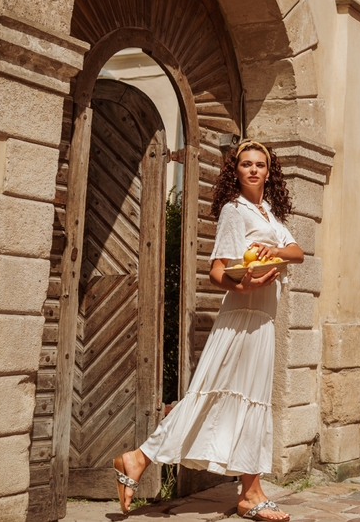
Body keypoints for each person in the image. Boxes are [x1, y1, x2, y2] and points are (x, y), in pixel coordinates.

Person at [113, 140, 303, 521]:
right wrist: (244, 285)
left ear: (269, 172)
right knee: (211, 395)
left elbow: (297, 253)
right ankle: (145, 459)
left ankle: (247, 490)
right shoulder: (235, 212)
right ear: (236, 171)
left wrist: (271, 253)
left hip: (263, 321)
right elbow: (217, 271)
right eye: (245, 164)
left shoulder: (270, 215)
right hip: (241, 314)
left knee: (251, 401)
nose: (252, 170)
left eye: (259, 164)